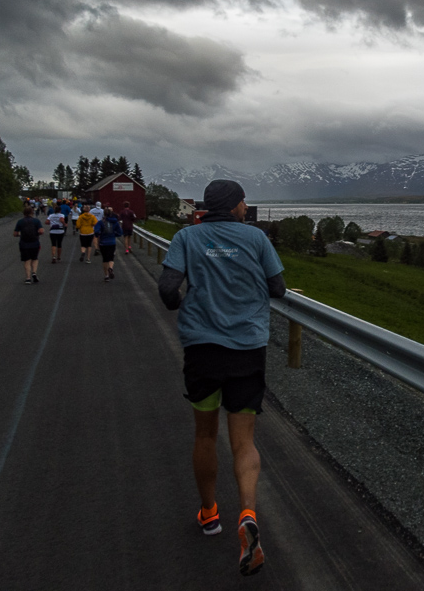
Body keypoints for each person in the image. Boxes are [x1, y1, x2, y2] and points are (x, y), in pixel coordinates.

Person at [158, 179, 286, 577]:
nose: (246, 207)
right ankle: (247, 512)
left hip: (203, 350)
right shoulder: (256, 238)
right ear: (233, 206)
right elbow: (278, 289)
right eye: (244, 202)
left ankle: (210, 514)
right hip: (247, 348)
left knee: (205, 435)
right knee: (244, 440)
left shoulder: (186, 236)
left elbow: (167, 290)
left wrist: (185, 301)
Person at [13, 206, 44, 284]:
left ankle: (28, 278)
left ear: (24, 213)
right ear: (32, 213)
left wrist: (20, 234)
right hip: (35, 243)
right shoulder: (36, 221)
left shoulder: (20, 222)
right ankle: (34, 272)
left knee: (27, 260)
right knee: (35, 258)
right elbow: (41, 231)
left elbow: (15, 234)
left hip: (24, 244)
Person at [93, 206, 122, 281]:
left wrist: (97, 235)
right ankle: (111, 268)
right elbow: (120, 232)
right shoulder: (115, 222)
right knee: (111, 257)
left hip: (103, 243)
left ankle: (106, 275)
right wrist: (114, 235)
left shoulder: (100, 222)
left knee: (105, 259)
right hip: (112, 242)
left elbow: (96, 231)